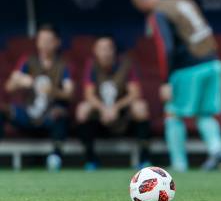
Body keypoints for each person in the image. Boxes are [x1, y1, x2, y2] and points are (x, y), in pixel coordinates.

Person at [130, 0, 221, 172]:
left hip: (188, 67)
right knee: (205, 114)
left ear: (141, 2)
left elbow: (165, 47)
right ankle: (217, 151)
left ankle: (179, 164)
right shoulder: (182, 1)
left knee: (173, 113)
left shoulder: (158, 13)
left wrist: (166, 81)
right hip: (213, 63)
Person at [1, 25, 74, 171]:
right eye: (41, 40)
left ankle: (55, 156)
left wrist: (52, 91)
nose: (44, 44)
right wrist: (20, 81)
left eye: (49, 40)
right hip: (28, 113)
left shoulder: (63, 65)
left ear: (57, 42)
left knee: (60, 114)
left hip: (49, 115)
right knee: (3, 110)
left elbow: (69, 93)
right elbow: (8, 86)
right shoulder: (28, 61)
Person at [76, 37, 151, 170]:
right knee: (82, 109)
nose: (105, 52)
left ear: (114, 50)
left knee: (140, 107)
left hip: (123, 114)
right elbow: (89, 95)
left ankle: (144, 158)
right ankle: (91, 160)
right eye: (101, 49)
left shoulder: (126, 64)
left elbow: (135, 93)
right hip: (100, 116)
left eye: (108, 48)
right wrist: (104, 109)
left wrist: (115, 108)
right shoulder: (92, 65)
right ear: (95, 51)